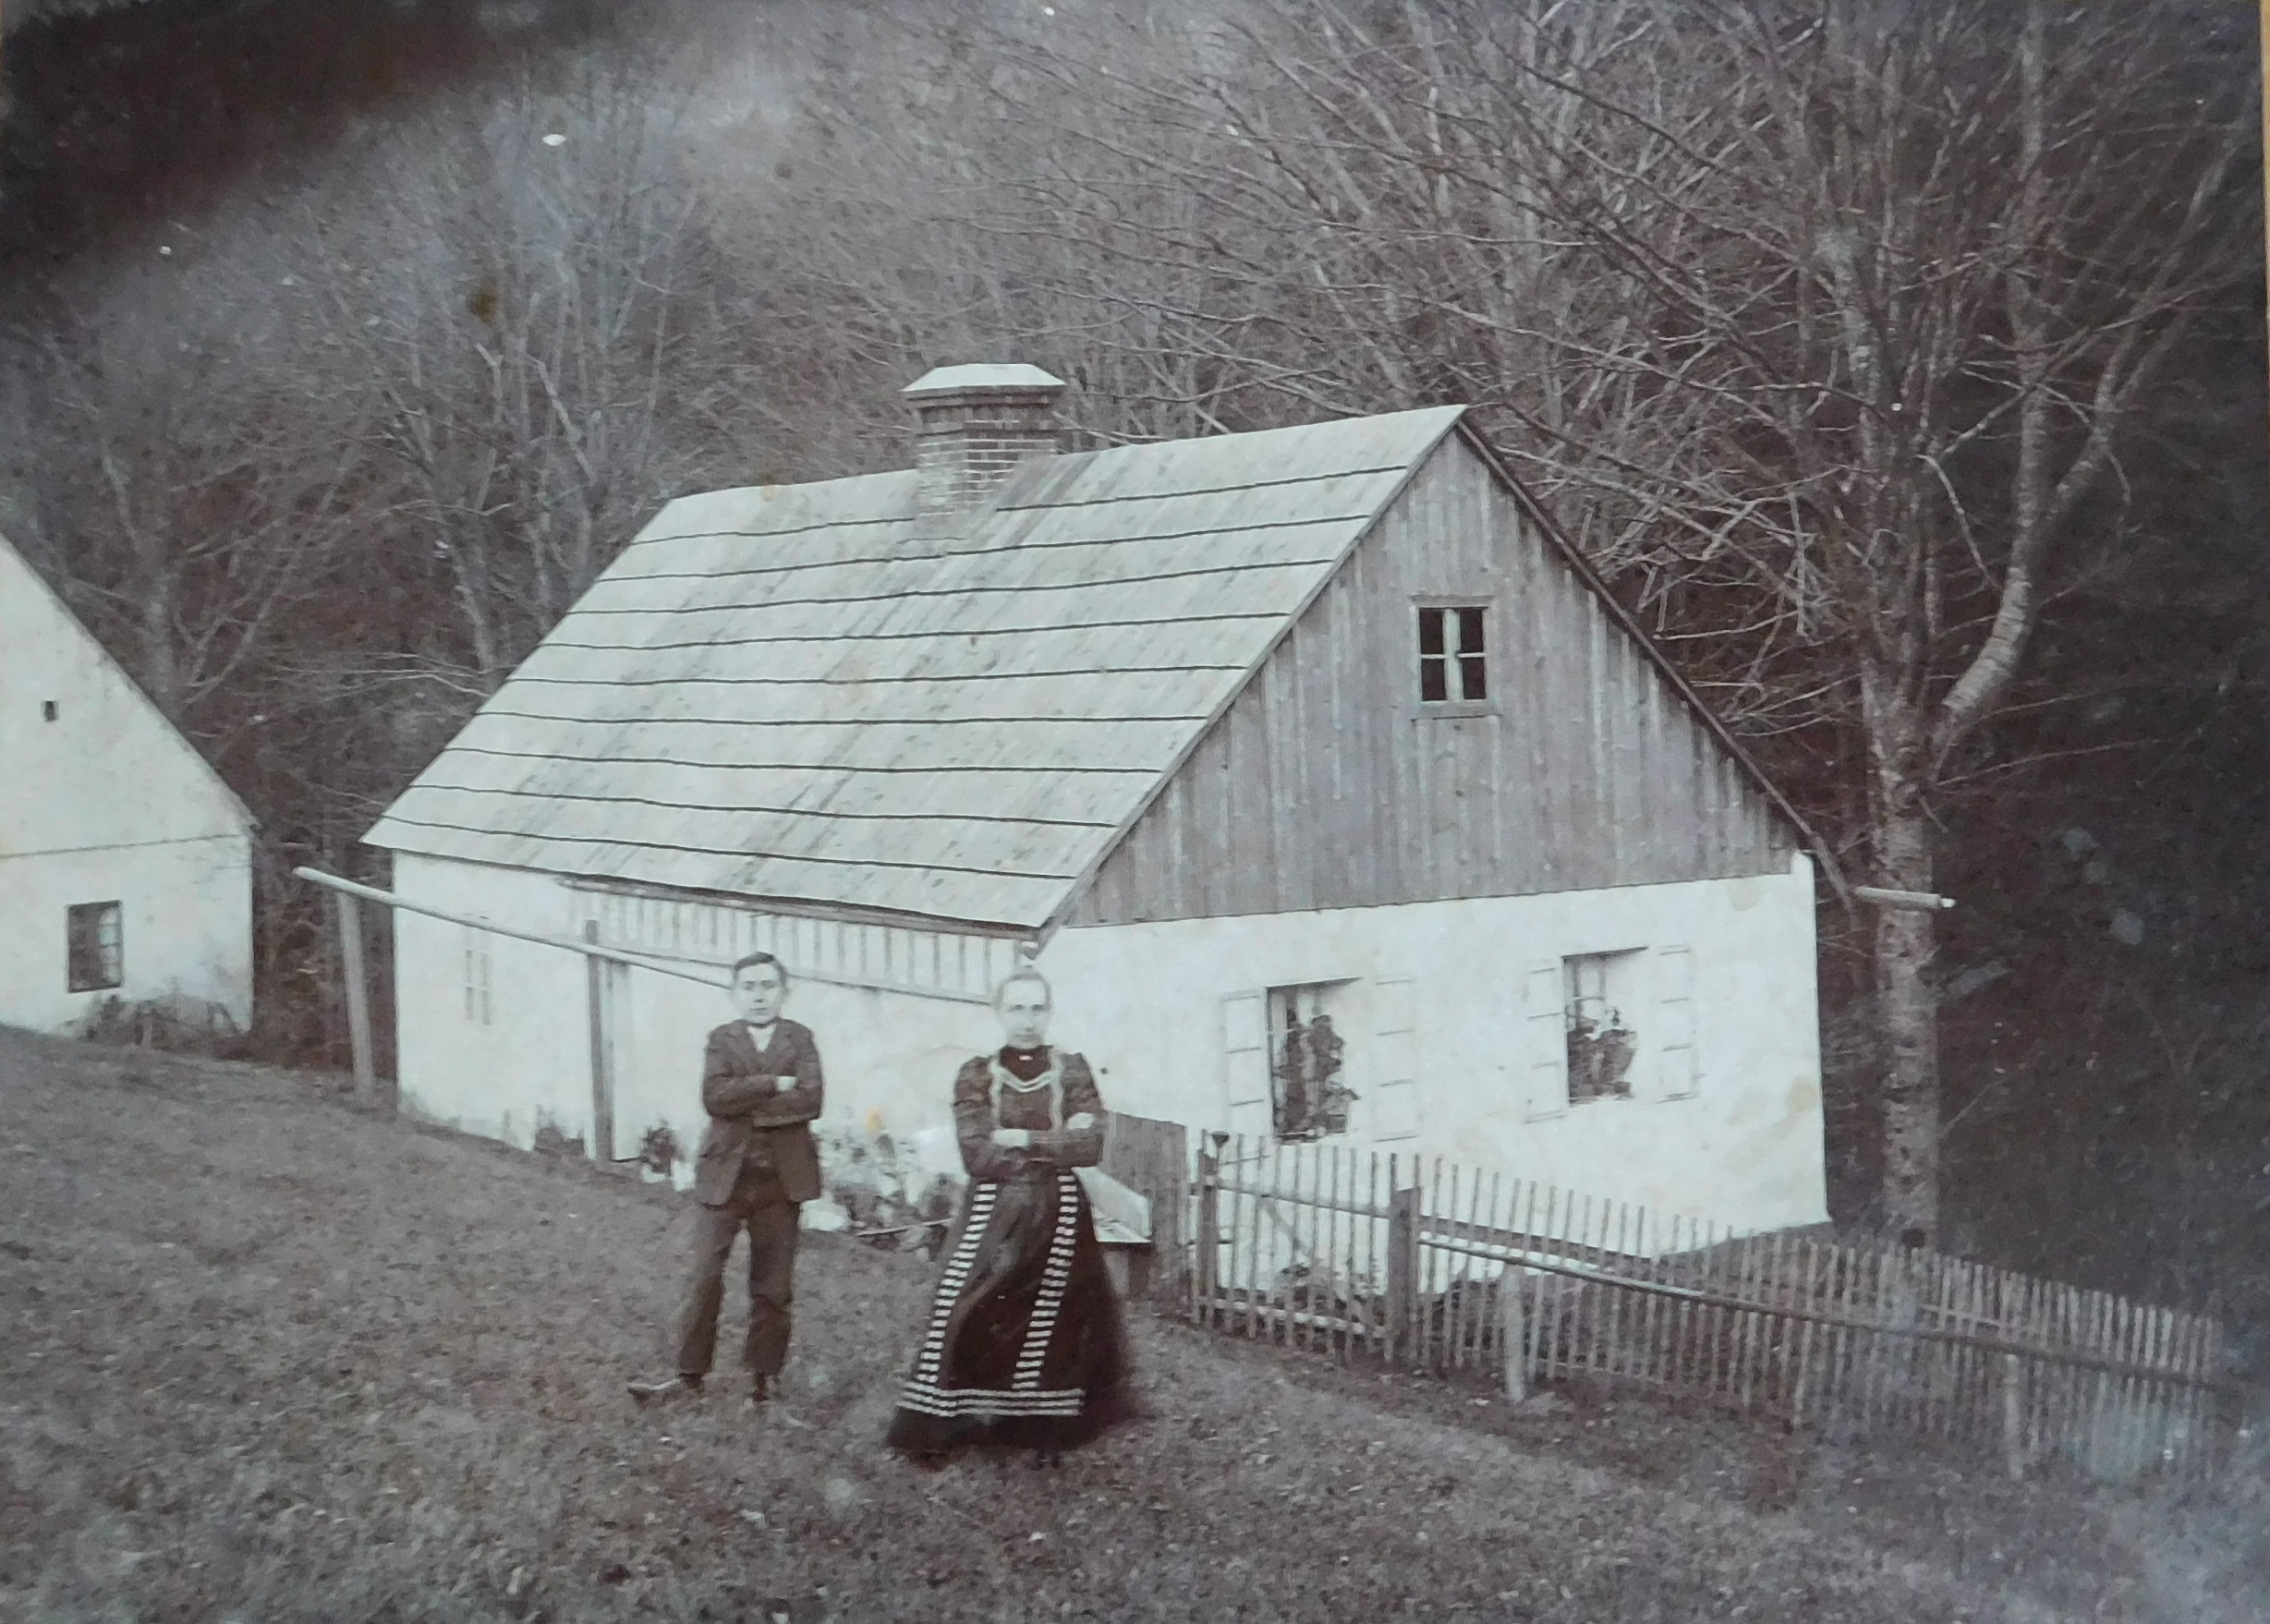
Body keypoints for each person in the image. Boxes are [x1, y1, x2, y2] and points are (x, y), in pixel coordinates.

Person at [885, 967, 1134, 1467]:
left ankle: (1038, 1428)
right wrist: (1053, 1146)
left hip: (1060, 1211)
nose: (1027, 1020)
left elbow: (1089, 1146)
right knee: (965, 1305)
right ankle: (953, 1421)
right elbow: (977, 1154)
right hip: (992, 1212)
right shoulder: (977, 1074)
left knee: (1055, 1318)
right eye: (1016, 1008)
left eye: (1037, 1008)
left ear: (1049, 1012)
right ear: (999, 1012)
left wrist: (1023, 1139)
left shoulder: (1072, 1070)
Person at [630, 952, 823, 1407]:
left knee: (773, 1286)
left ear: (784, 991)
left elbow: (811, 1101)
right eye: (749, 987)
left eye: (768, 986)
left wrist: (747, 1101)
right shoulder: (722, 1039)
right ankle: (689, 1377)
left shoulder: (800, 1038)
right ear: (734, 994)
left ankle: (764, 1381)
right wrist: (773, 1084)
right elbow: (714, 1099)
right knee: (704, 1276)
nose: (759, 996)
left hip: (781, 1181)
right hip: (725, 1179)